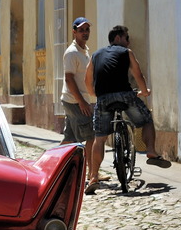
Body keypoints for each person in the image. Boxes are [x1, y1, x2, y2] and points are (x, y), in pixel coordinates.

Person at [83, 24, 169, 194]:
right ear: (117, 38)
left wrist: (94, 94)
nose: (129, 42)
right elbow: (138, 74)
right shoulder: (126, 53)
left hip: (103, 99)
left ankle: (93, 176)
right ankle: (151, 151)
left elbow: (87, 78)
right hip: (124, 95)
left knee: (99, 139)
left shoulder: (95, 55)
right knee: (146, 119)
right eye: (126, 38)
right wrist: (144, 92)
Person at [60, 17, 98, 164]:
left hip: (75, 100)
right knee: (91, 136)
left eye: (87, 29)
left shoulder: (84, 51)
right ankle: (91, 173)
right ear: (74, 32)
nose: (85, 33)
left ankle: (48, 164)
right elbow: (69, 79)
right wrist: (82, 102)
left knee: (69, 139)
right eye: (81, 30)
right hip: (75, 101)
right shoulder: (72, 52)